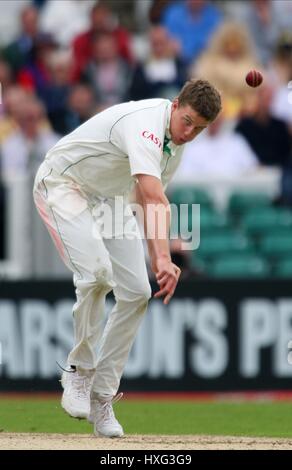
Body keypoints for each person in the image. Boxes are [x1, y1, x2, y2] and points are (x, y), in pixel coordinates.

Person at [33, 79, 221, 438]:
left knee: (136, 291)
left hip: (111, 199)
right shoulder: (146, 124)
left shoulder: (174, 145)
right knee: (97, 274)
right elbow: (152, 197)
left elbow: (141, 198)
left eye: (200, 129)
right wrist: (164, 258)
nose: (189, 133)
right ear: (176, 103)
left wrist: (157, 260)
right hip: (63, 184)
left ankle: (101, 399)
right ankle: (79, 371)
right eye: (188, 121)